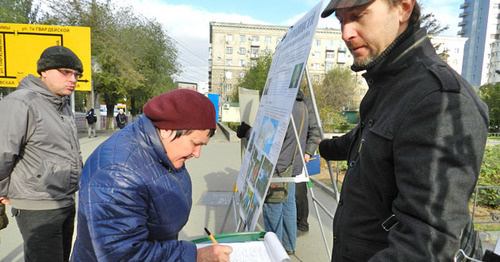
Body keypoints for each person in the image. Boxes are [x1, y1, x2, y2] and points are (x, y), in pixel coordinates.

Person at [319, 0, 489, 261]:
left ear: (403, 8)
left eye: (358, 16)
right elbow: (366, 140)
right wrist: (319, 147)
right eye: (341, 21)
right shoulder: (391, 85)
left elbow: (426, 245)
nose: (346, 33)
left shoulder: (439, 99)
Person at [71, 89, 232, 261]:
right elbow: (123, 255)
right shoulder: (117, 173)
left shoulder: (163, 151)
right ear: (166, 130)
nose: (197, 153)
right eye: (195, 143)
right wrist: (195, 255)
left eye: (203, 145)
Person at [0, 45, 84, 262]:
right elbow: (3, 152)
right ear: (44, 71)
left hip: (65, 200)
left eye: (76, 74)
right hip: (36, 204)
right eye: (65, 72)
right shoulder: (21, 102)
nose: (72, 79)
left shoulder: (62, 105)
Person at [237, 92, 309, 255]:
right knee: (288, 206)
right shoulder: (302, 105)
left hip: (277, 168)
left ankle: (275, 253)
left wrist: (247, 132)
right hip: (292, 167)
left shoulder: (282, 106)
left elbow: (267, 140)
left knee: (273, 209)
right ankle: (289, 246)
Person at [295, 90, 321, 236]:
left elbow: (315, 130)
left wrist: (308, 152)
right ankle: (291, 221)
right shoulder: (280, 101)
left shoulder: (306, 102)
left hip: (300, 154)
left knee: (299, 192)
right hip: (284, 156)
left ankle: (302, 224)